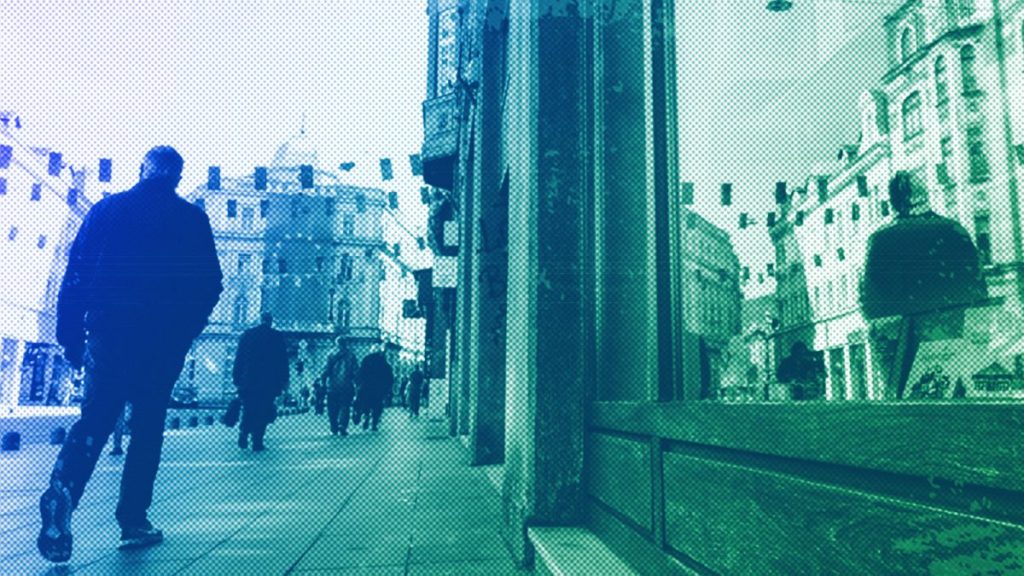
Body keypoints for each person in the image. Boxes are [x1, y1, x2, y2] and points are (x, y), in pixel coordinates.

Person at [39, 146, 223, 562]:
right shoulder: (191, 219)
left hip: (108, 333)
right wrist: (184, 332)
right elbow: (211, 283)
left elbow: (76, 274)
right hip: (160, 342)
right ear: (177, 177)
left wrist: (69, 337)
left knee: (96, 418)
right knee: (147, 428)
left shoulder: (106, 211)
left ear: (142, 171)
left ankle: (66, 486)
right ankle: (133, 520)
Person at [232, 313, 289, 451]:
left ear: (260, 320)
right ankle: (257, 441)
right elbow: (282, 361)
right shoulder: (276, 336)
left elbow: (239, 358)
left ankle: (244, 433)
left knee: (248, 408)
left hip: (249, 380)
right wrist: (284, 380)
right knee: (263, 410)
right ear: (271, 321)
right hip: (268, 381)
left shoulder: (247, 335)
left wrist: (236, 378)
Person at [322, 337, 358, 436]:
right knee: (345, 406)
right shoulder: (351, 356)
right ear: (346, 344)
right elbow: (355, 372)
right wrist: (356, 383)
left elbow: (326, 370)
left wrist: (323, 381)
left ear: (336, 344)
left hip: (332, 386)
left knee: (332, 407)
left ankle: (333, 426)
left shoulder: (330, 355)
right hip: (346, 386)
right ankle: (342, 425)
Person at [354, 344, 394, 431]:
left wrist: (358, 383)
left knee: (366, 403)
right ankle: (374, 424)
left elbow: (360, 373)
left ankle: (366, 415)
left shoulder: (366, 360)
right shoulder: (383, 362)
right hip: (378, 388)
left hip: (366, 386)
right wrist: (387, 388)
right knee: (377, 406)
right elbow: (389, 376)